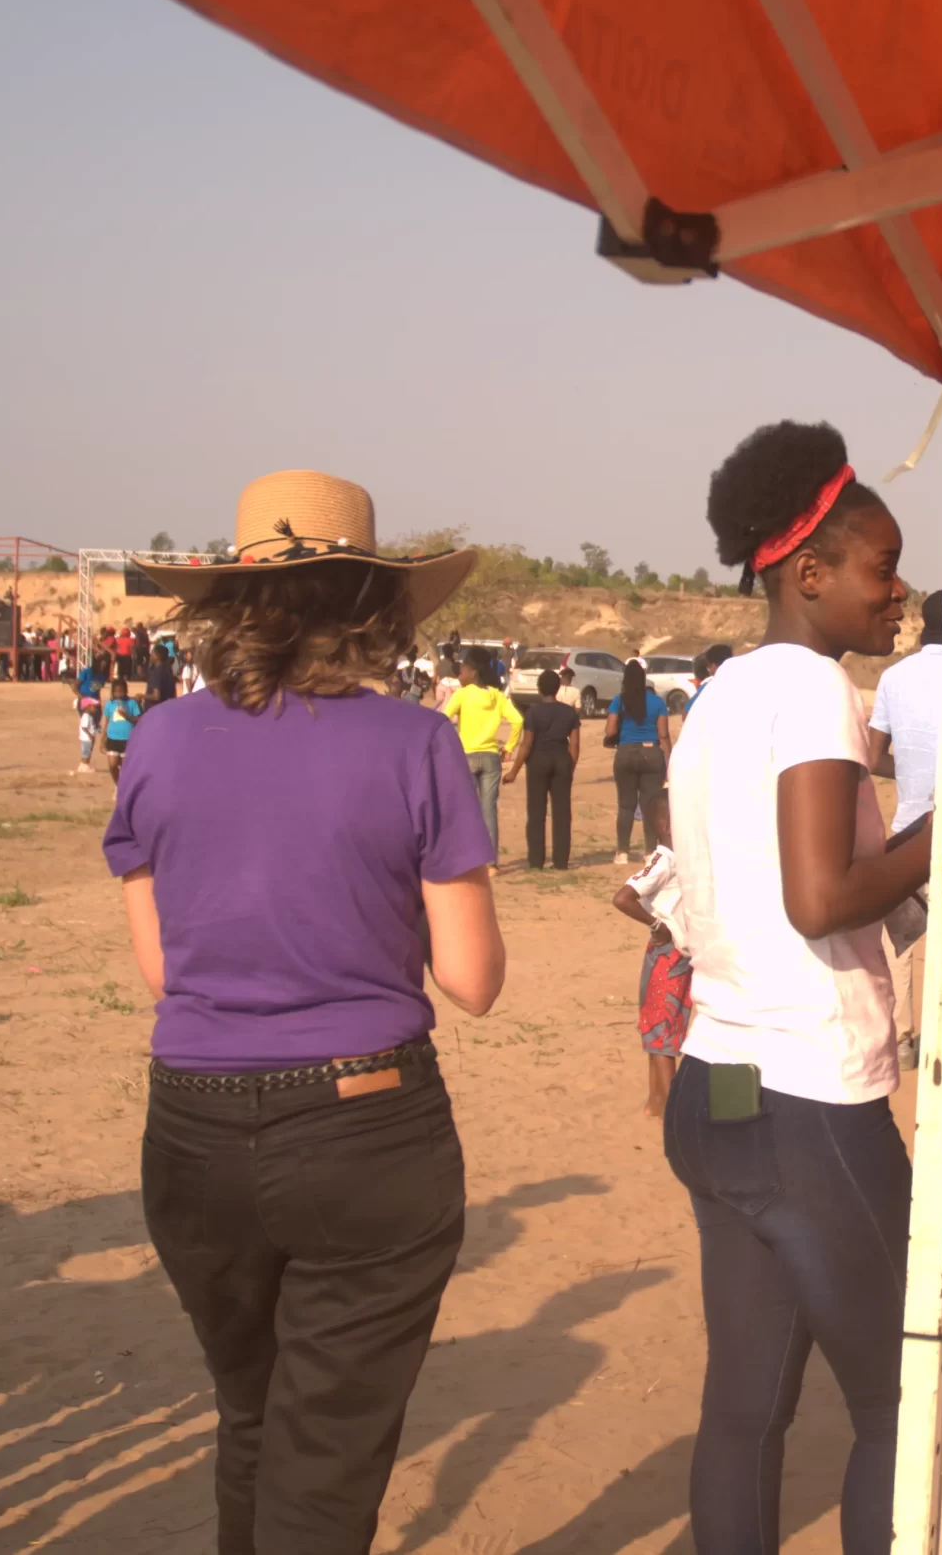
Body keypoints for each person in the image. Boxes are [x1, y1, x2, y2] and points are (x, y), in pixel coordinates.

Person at [103, 469, 502, 1555]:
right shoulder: (416, 742)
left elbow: (163, 970)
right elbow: (472, 979)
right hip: (364, 1125)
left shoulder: (157, 739)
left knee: (252, 1415)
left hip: (192, 1127)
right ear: (374, 607)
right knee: (324, 1461)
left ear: (229, 604)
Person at [666, 420, 942, 1553]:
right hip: (808, 1101)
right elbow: (821, 897)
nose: (900, 589)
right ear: (808, 572)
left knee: (743, 1409)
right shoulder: (815, 688)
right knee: (901, 1400)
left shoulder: (718, 696)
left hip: (717, 1086)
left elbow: (777, 892)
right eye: (883, 565)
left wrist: (925, 843)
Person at [870, 588, 942, 1062]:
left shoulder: (893, 677)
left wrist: (907, 773)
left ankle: (902, 1036)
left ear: (922, 625)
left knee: (900, 937)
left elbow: (872, 754)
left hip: (907, 827)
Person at [612, 791, 690, 1117]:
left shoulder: (684, 858)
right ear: (667, 825)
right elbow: (623, 898)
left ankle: (656, 1100)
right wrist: (656, 924)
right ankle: (670, 1109)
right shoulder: (663, 861)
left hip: (680, 955)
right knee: (662, 1031)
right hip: (667, 956)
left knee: (661, 1028)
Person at [441, 655, 524, 866]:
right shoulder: (497, 696)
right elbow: (517, 720)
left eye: (462, 672)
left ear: (473, 673)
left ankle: (468, 859)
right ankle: (491, 863)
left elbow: (443, 719)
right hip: (491, 757)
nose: (459, 676)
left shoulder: (462, 694)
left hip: (467, 756)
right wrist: (509, 747)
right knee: (489, 810)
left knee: (466, 808)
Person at [506, 668, 581, 870]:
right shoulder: (569, 712)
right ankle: (561, 861)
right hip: (561, 760)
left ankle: (536, 861)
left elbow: (527, 744)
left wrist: (514, 771)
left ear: (539, 688)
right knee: (562, 813)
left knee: (536, 812)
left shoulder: (533, 712)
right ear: (558, 688)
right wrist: (570, 768)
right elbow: (574, 744)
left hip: (538, 761)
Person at [606, 658, 668, 865]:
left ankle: (622, 852)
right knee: (650, 805)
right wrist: (669, 759)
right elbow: (663, 734)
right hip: (651, 753)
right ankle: (650, 851)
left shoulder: (619, 700)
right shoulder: (657, 702)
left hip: (625, 753)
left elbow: (610, 730)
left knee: (626, 806)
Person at [101, 679, 144, 782]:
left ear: (125, 691)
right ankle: (118, 784)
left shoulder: (132, 703)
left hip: (128, 739)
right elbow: (106, 722)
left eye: (121, 691)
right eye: (116, 692)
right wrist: (102, 740)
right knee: (112, 765)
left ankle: (124, 786)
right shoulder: (109, 704)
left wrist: (127, 716)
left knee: (126, 767)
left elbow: (139, 719)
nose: (119, 694)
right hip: (112, 738)